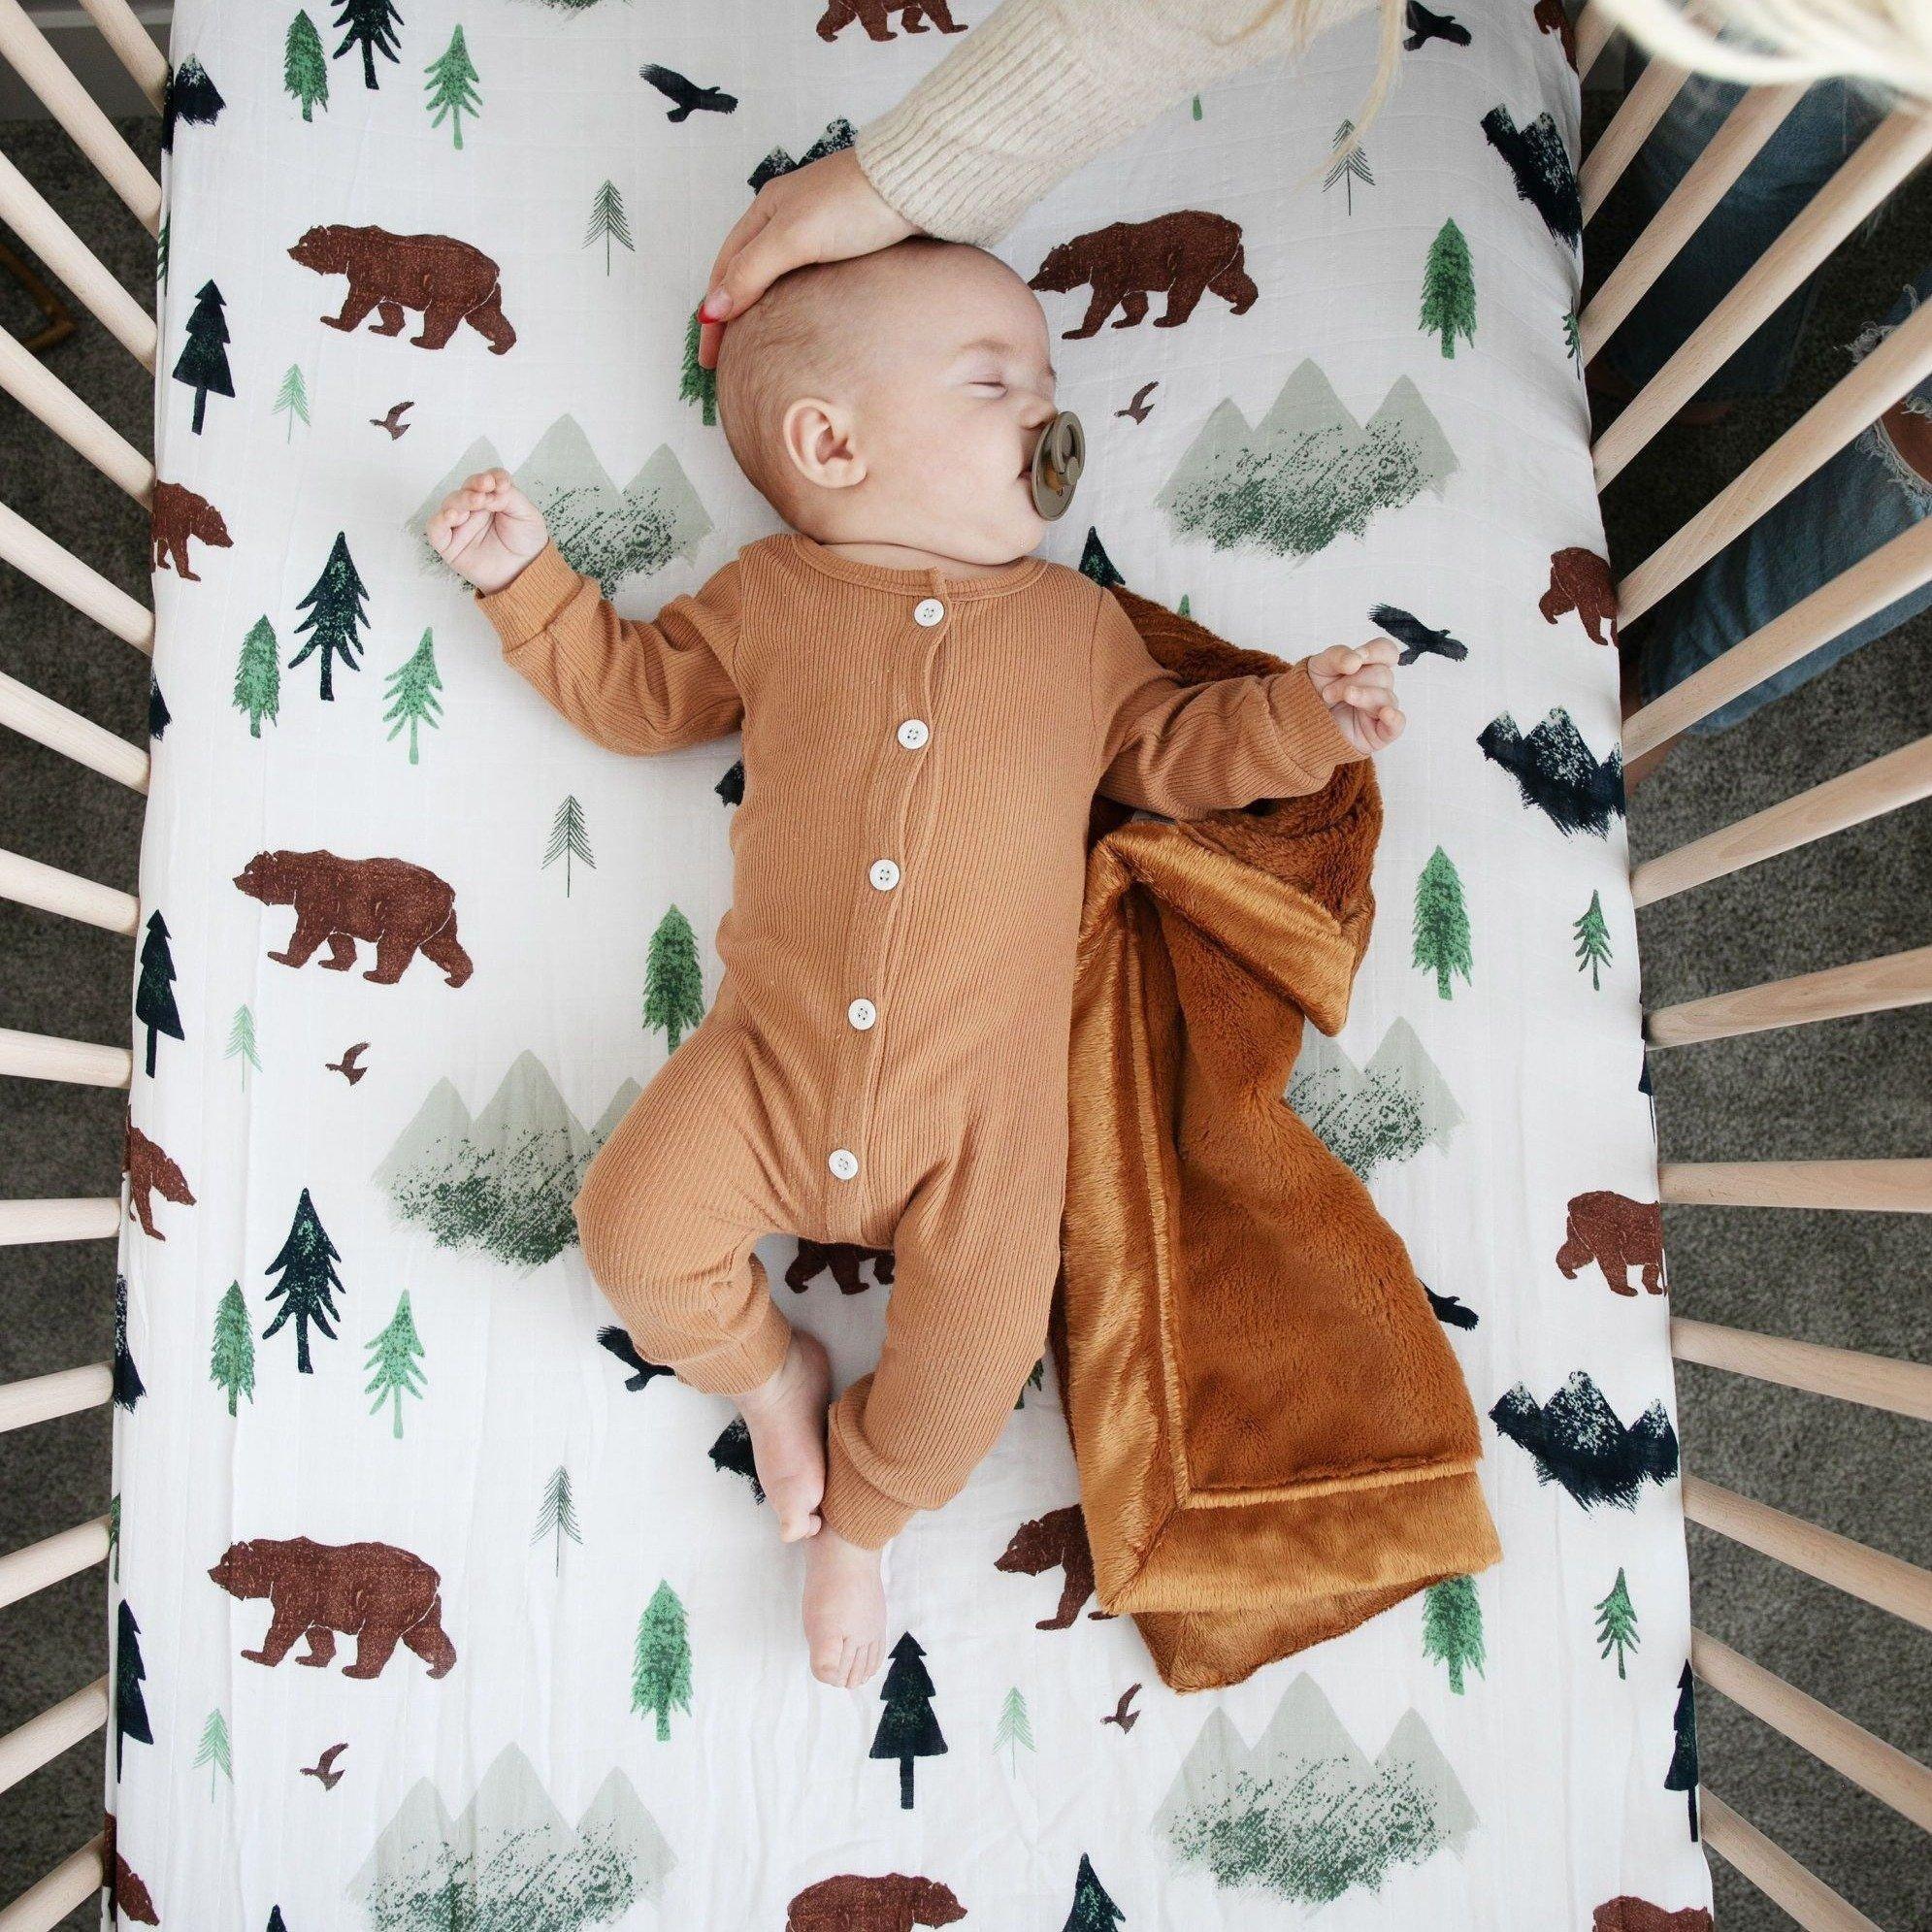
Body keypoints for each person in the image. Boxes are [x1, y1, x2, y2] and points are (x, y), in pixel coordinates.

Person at [427, 238, 1403, 1690]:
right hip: (767, 1067)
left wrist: (1299, 719)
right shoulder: (771, 596)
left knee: (971, 1373)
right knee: (630, 1225)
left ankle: (864, 1526)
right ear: (834, 444)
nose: (1046, 413)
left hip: (980, 1118)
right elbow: (642, 695)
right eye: (996, 384)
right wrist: (528, 584)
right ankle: (774, 1377)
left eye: (1047, 384)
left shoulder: (1074, 626)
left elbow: (1168, 754)